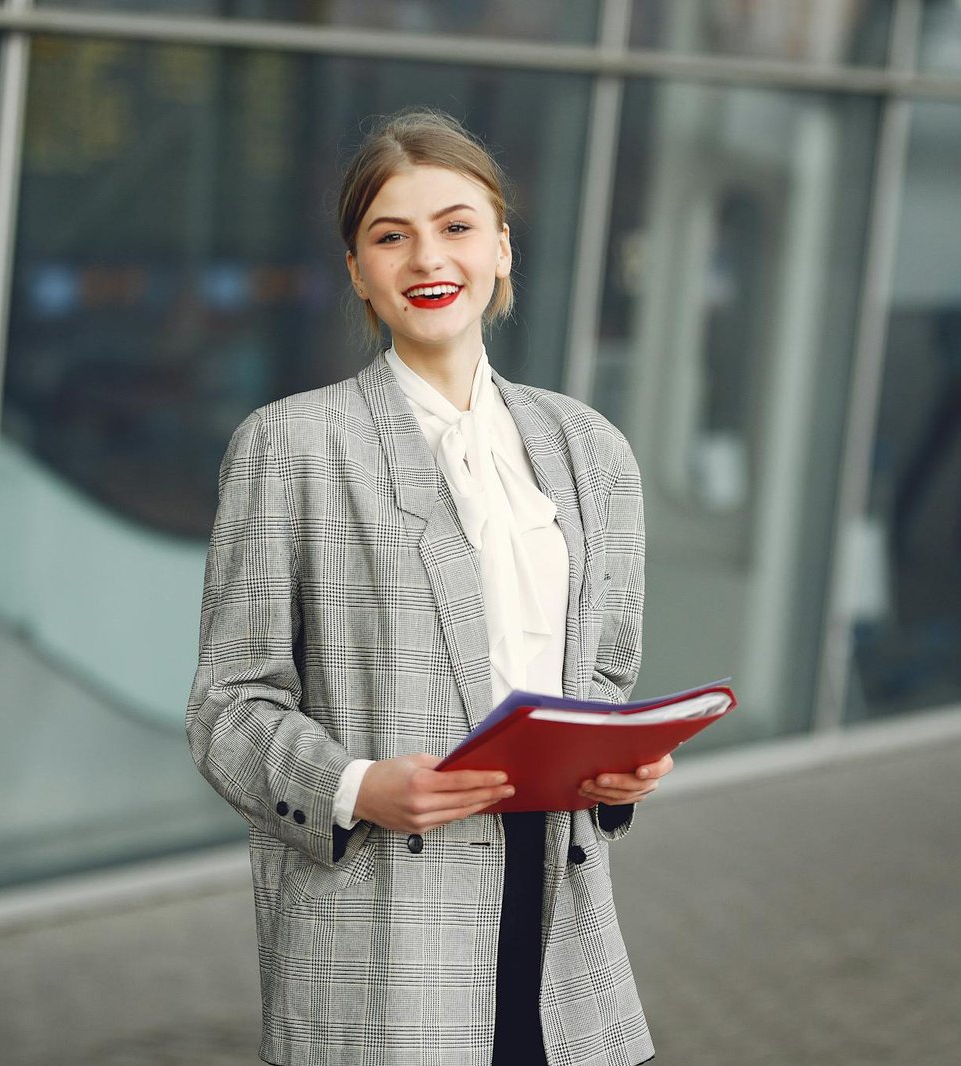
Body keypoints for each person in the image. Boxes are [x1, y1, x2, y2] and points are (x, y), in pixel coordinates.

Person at [186, 108, 669, 1066]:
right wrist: (359, 787)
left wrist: (620, 770)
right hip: (383, 929)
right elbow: (227, 710)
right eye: (389, 235)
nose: (426, 258)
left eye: (454, 225)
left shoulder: (591, 452)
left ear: (499, 245)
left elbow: (606, 674)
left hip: (561, 919)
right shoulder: (291, 449)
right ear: (360, 271)